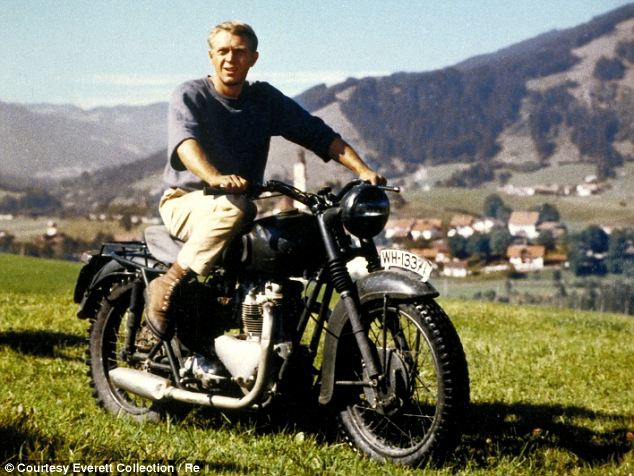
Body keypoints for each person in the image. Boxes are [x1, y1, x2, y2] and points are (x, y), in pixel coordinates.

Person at [147, 20, 385, 340]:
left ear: (254, 58)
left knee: (300, 231)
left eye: (239, 52)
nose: (230, 59)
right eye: (223, 51)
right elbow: (185, 144)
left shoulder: (264, 99)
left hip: (236, 202)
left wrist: (363, 171)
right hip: (186, 200)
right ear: (211, 56)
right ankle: (169, 282)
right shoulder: (191, 94)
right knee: (236, 208)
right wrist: (215, 177)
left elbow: (317, 133)